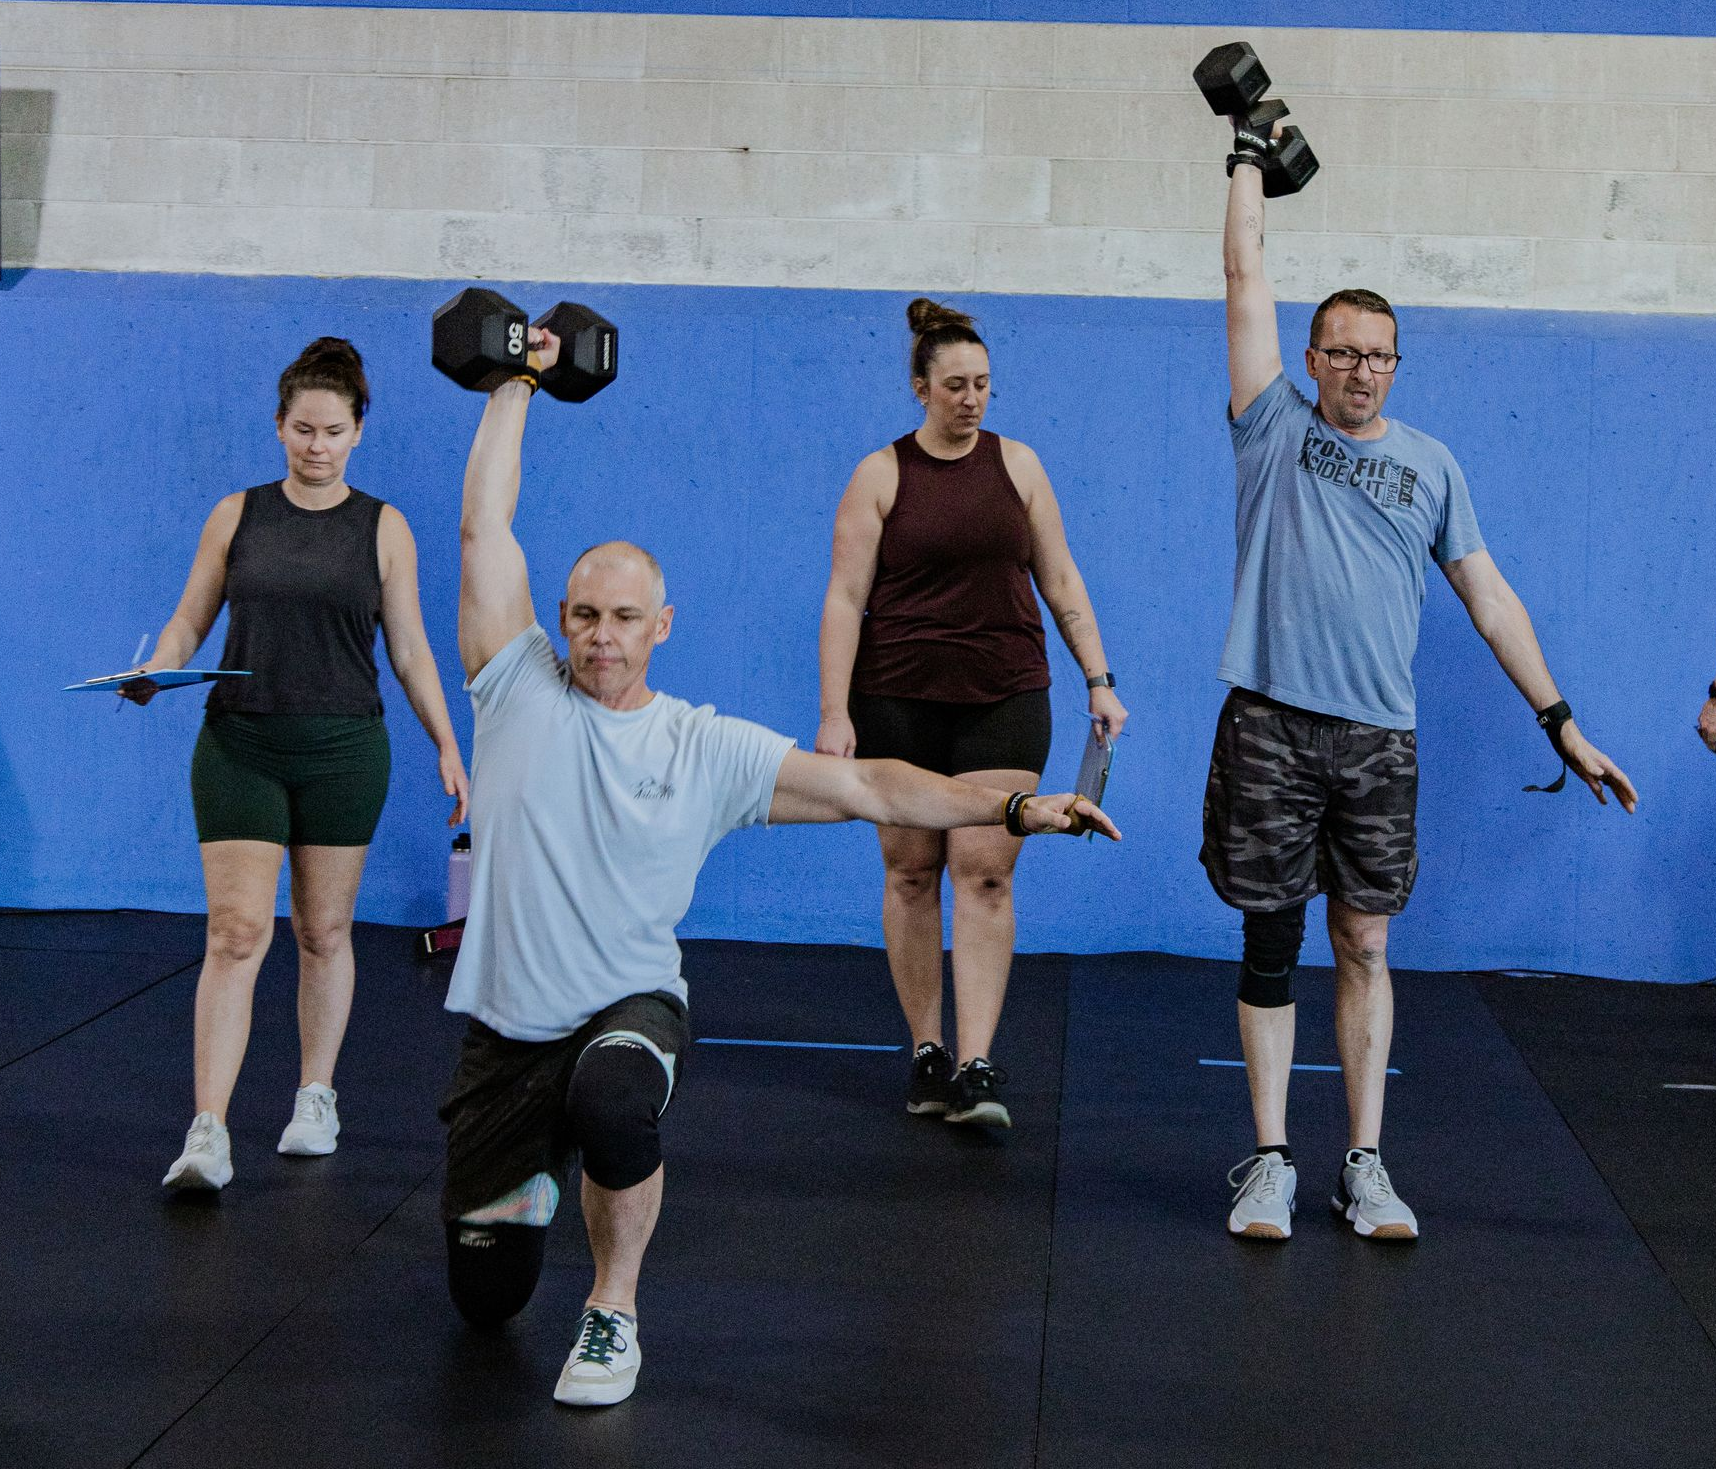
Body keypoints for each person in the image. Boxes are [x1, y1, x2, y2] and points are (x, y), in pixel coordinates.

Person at [442, 326, 1118, 1408]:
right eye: (582, 615)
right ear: (557, 621)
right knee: (484, 1296)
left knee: (618, 1101)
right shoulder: (513, 685)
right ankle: (524, 1191)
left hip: (627, 1003)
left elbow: (872, 787)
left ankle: (613, 1309)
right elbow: (485, 525)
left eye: (623, 617)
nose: (600, 636)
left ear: (662, 626)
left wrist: (1013, 804)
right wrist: (519, 378)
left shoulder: (704, 745)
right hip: (504, 1029)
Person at [1209, 123, 1637, 1242]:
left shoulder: (1433, 465)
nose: (1358, 368)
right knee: (1270, 943)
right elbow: (1243, 273)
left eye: (1378, 354)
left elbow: (1491, 598)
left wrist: (1562, 721)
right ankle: (1268, 1162)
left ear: (1397, 365)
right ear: (1311, 360)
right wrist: (1248, 157)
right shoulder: (1272, 428)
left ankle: (1365, 1162)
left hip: (1376, 741)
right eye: (1340, 350)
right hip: (1269, 721)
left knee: (1365, 944)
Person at [134, 338, 470, 1191]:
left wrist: (446, 740)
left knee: (323, 933)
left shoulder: (384, 527)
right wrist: (154, 667)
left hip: (344, 749)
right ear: (278, 427)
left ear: (358, 431)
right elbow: (185, 625)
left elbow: (411, 651)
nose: (316, 445)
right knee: (235, 932)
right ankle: (208, 1128)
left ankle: (314, 1095)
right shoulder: (235, 515)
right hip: (240, 743)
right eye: (301, 430)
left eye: (332, 430)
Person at [815, 297, 1128, 1129]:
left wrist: (1099, 678)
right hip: (898, 701)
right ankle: (926, 1048)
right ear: (921, 386)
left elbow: (1061, 580)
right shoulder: (879, 475)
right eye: (955, 384)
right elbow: (846, 599)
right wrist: (834, 712)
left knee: (984, 872)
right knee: (912, 870)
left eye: (983, 384)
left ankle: (977, 1062)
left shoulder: (1019, 467)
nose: (972, 398)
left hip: (1005, 696)